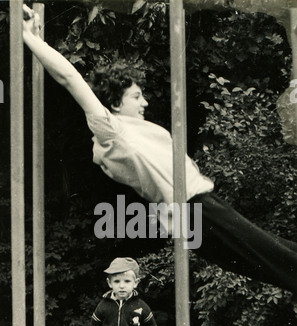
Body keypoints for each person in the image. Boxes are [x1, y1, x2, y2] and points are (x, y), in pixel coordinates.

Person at [22, 6, 297, 295]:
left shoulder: (130, 132)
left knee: (279, 257)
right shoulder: (112, 130)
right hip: (196, 211)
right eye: (136, 96)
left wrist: (38, 37)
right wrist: (31, 39)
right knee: (280, 260)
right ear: (115, 103)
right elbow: (70, 78)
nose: (144, 103)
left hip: (197, 213)